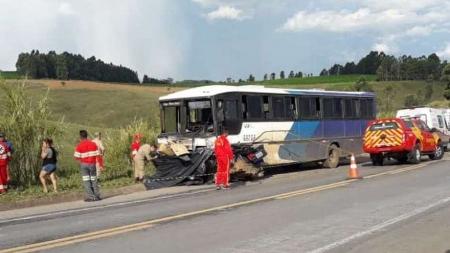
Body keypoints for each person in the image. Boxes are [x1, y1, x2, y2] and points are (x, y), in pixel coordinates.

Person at [74, 130, 101, 201]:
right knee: (94, 180)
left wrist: (82, 161)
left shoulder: (79, 145)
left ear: (80, 137)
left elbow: (76, 157)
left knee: (86, 181)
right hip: (92, 164)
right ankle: (97, 196)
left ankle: (90, 197)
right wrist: (100, 164)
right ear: (87, 135)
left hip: (84, 165)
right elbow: (98, 155)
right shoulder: (93, 144)